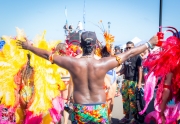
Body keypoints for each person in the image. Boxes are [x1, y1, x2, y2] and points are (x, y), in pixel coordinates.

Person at [17, 31, 158, 123]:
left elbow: (47, 55)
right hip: (100, 110)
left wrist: (29, 47)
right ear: (96, 45)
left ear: (81, 45)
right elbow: (129, 53)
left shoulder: (72, 63)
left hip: (80, 109)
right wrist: (149, 43)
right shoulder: (103, 63)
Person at [119, 41, 143, 123]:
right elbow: (125, 69)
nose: (128, 49)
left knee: (133, 101)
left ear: (133, 47)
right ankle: (126, 116)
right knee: (125, 100)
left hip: (133, 81)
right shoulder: (126, 57)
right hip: (125, 81)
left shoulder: (138, 57)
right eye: (127, 48)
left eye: (130, 47)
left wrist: (139, 83)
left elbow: (140, 70)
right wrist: (118, 73)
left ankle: (133, 118)